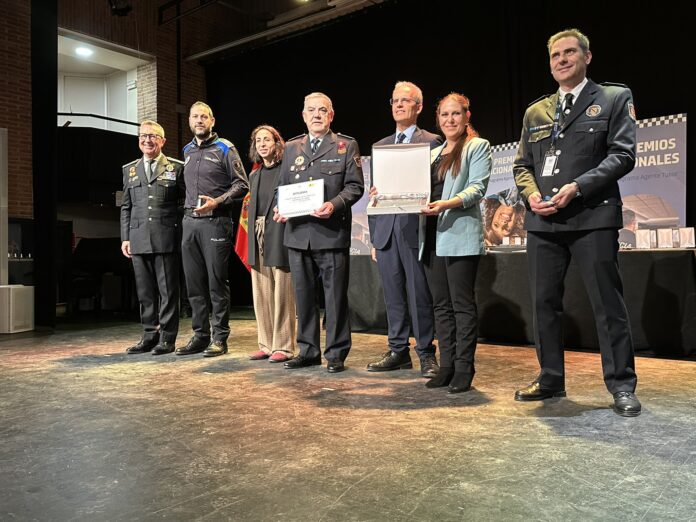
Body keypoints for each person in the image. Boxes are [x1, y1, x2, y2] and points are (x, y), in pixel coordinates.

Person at [513, 29, 640, 416]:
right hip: (543, 223)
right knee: (544, 304)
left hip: (593, 216)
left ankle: (621, 385)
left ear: (587, 56)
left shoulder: (613, 98)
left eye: (569, 52)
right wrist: (530, 195)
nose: (562, 60)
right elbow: (522, 166)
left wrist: (578, 187)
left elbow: (623, 155)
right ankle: (551, 378)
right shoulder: (536, 111)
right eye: (555, 55)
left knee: (607, 303)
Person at [274, 92, 364, 373]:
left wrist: (333, 204)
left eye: (322, 110)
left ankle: (336, 353)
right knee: (303, 297)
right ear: (303, 116)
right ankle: (308, 351)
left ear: (331, 115)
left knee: (335, 298)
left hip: (331, 233)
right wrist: (280, 207)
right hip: (298, 235)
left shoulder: (345, 145)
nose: (316, 115)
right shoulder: (291, 147)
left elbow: (355, 187)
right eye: (311, 110)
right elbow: (282, 187)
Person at [366, 81, 441, 377]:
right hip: (386, 229)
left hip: (415, 228)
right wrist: (374, 237)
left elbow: (438, 186)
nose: (398, 105)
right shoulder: (381, 146)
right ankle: (398, 350)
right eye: (395, 101)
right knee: (393, 293)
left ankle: (426, 353)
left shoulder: (432, 142)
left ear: (418, 107)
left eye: (405, 100)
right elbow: (375, 195)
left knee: (418, 292)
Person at [420, 93, 491, 393]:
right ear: (438, 118)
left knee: (461, 305)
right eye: (444, 115)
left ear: (466, 116)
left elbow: (477, 189)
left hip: (459, 234)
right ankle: (447, 366)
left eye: (455, 114)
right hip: (431, 235)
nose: (450, 120)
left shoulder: (477, 146)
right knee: (441, 306)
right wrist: (383, 195)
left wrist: (446, 204)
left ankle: (464, 368)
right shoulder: (432, 153)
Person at [176, 101, 249, 357]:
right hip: (190, 224)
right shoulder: (186, 150)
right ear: (190, 121)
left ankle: (219, 338)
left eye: (204, 117)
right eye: (195, 116)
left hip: (216, 222)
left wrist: (216, 202)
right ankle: (200, 335)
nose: (199, 120)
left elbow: (242, 185)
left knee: (216, 283)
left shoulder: (225, 148)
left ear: (212, 121)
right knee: (194, 284)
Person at [120, 120, 184, 355]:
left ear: (162, 141)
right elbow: (126, 206)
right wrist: (125, 237)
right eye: (143, 136)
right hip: (138, 238)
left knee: (168, 292)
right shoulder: (130, 169)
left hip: (166, 237)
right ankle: (149, 335)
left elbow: (183, 204)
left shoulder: (176, 168)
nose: (147, 140)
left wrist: (178, 232)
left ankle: (167, 338)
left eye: (153, 136)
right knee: (145, 292)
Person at [246, 125, 297, 363]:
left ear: (277, 143)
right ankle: (266, 344)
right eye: (258, 141)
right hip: (257, 234)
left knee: (283, 292)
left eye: (267, 140)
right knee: (261, 291)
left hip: (280, 233)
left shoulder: (287, 170)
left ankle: (284, 346)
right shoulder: (254, 175)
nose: (262, 144)